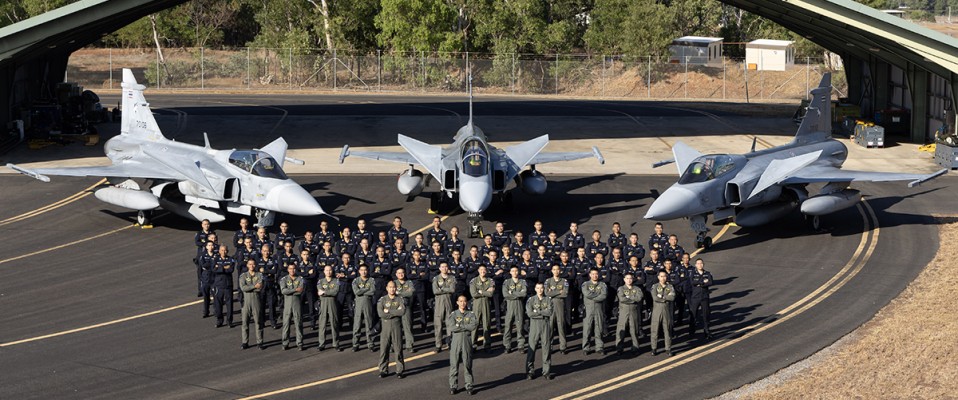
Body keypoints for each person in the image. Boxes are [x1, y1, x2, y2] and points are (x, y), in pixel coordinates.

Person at [448, 295, 478, 395]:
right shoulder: (453, 314)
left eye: (464, 301)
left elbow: (473, 326)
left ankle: (469, 385)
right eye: (460, 301)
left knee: (467, 364)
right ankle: (453, 386)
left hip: (467, 341)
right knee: (454, 365)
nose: (462, 303)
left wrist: (460, 326)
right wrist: (465, 327)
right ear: (457, 302)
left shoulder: (471, 314)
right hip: (455, 342)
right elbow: (452, 327)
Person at [525, 283, 554, 380]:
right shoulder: (531, 300)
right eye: (538, 288)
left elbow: (549, 312)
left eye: (541, 288)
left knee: (546, 348)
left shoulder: (548, 299)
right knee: (532, 349)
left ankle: (546, 371)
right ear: (535, 289)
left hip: (545, 325)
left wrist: (537, 312)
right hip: (534, 326)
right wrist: (543, 312)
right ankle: (530, 371)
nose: (540, 290)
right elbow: (529, 314)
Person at [378, 281, 406, 379]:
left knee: (398, 348)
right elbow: (381, 313)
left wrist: (389, 311)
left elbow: (402, 311)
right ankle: (383, 370)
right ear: (387, 288)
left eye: (394, 287)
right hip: (385, 327)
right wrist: (395, 312)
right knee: (384, 349)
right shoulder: (382, 300)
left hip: (396, 326)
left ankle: (400, 370)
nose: (392, 289)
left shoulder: (400, 299)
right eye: (390, 287)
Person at [239, 259, 265, 350]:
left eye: (253, 264)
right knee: (245, 322)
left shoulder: (259, 275)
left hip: (256, 300)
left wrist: (251, 287)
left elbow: (260, 288)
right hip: (246, 301)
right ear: (247, 265)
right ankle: (245, 342)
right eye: (250, 264)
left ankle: (260, 342)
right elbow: (243, 288)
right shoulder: (243, 276)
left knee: (258, 322)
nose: (252, 266)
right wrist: (254, 286)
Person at [615, 273, 643, 354]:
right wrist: (633, 299)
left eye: (630, 278)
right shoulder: (621, 289)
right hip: (624, 311)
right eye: (627, 278)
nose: (629, 280)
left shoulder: (637, 289)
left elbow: (639, 298)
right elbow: (622, 299)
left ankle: (635, 347)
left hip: (634, 311)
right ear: (624, 279)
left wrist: (629, 298)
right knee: (621, 329)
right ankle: (619, 348)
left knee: (634, 329)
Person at [469, 266, 495, 352]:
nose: (483, 271)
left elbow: (491, 294)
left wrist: (481, 291)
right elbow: (474, 294)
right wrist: (486, 291)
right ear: (478, 270)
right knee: (475, 324)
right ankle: (473, 344)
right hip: (477, 304)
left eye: (484, 270)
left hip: (486, 303)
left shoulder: (490, 281)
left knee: (486, 324)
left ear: (486, 271)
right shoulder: (474, 281)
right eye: (481, 270)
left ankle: (487, 345)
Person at [581, 268, 607, 355]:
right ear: (589, 275)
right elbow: (586, 294)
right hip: (588, 309)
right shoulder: (586, 284)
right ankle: (586, 347)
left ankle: (599, 347)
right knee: (587, 329)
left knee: (599, 328)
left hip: (599, 309)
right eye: (593, 274)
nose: (594, 276)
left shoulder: (602, 284)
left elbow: (603, 295)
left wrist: (593, 297)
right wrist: (597, 294)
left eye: (596, 274)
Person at [544, 265, 570, 354]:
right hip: (550, 305)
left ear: (560, 271)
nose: (556, 271)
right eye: (554, 269)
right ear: (552, 271)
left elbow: (565, 293)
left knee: (561, 326)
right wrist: (559, 291)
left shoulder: (564, 281)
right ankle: (549, 346)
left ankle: (563, 347)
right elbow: (546, 293)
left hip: (560, 305)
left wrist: (553, 292)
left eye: (557, 269)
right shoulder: (548, 281)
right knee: (550, 327)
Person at [650, 270, 676, 356]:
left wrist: (662, 296)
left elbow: (672, 297)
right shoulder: (655, 286)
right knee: (655, 330)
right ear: (658, 277)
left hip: (666, 309)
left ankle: (668, 348)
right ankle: (654, 348)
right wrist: (666, 298)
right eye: (661, 276)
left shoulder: (670, 286)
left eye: (664, 276)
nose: (663, 278)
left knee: (667, 330)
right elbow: (655, 298)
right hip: (657, 310)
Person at [317, 265, 342, 351]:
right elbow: (319, 291)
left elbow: (335, 292)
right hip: (323, 303)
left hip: (332, 303)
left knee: (334, 323)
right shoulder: (320, 281)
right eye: (327, 270)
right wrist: (328, 292)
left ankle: (336, 343)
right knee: (322, 324)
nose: (328, 272)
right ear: (324, 271)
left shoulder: (336, 281)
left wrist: (324, 292)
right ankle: (321, 343)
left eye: (330, 270)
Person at [502, 266, 528, 353]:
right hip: (509, 306)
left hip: (519, 305)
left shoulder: (522, 282)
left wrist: (512, 293)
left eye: (516, 271)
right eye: (513, 271)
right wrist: (518, 294)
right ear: (510, 272)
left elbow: (524, 293)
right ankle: (507, 346)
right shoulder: (507, 282)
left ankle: (521, 345)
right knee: (508, 326)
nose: (515, 272)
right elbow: (505, 294)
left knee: (520, 326)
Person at [279, 264, 305, 351]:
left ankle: (300, 343)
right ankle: (285, 342)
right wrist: (294, 290)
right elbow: (283, 291)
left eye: (294, 268)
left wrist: (291, 291)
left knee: (298, 323)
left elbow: (301, 291)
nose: (292, 270)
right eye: (290, 268)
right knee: (286, 323)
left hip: (297, 303)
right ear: (288, 269)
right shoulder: (284, 279)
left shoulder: (300, 279)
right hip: (287, 304)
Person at [432, 262, 456, 352]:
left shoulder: (452, 278)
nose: (444, 268)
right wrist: (446, 289)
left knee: (449, 324)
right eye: (442, 267)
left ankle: (449, 342)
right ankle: (438, 345)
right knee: (438, 325)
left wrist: (442, 289)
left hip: (448, 302)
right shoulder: (436, 278)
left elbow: (452, 289)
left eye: (446, 266)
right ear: (439, 268)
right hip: (439, 304)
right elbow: (435, 291)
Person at [352, 264, 376, 352]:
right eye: (361, 270)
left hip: (368, 303)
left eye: (365, 270)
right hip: (358, 304)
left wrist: (363, 291)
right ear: (359, 271)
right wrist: (366, 289)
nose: (363, 271)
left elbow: (372, 291)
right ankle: (355, 344)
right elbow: (356, 292)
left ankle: (370, 343)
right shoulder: (356, 280)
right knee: (357, 325)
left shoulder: (371, 280)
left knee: (369, 324)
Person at [689, 258, 714, 340]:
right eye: (698, 263)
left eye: (701, 263)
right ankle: (691, 331)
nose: (700, 265)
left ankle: (707, 331)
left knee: (706, 315)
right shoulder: (693, 273)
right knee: (693, 314)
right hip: (695, 297)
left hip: (704, 297)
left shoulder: (707, 273)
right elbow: (692, 282)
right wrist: (703, 282)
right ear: (695, 265)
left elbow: (710, 282)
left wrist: (700, 284)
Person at [394, 267, 416, 352]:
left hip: (406, 306)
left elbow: (411, 292)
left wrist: (399, 293)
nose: (401, 274)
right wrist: (405, 293)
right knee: (396, 327)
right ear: (396, 274)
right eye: (399, 273)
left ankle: (409, 345)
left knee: (407, 326)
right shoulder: (394, 283)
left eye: (402, 272)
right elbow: (392, 293)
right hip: (395, 306)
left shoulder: (409, 282)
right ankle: (394, 345)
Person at [212, 244, 235, 328]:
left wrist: (219, 267)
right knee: (218, 303)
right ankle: (219, 320)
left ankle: (229, 321)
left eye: (225, 250)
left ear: (227, 251)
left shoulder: (230, 259)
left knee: (229, 304)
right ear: (219, 251)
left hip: (228, 285)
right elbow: (214, 269)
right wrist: (224, 267)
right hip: (218, 285)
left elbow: (231, 270)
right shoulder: (215, 259)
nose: (223, 252)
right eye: (222, 250)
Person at [194, 219, 216, 297]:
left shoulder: (212, 233)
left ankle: (211, 290)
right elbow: (197, 242)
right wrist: (206, 244)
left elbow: (215, 242)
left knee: (211, 274)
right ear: (202, 225)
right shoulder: (199, 234)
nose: (206, 225)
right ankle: (200, 290)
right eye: (205, 224)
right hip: (201, 256)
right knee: (200, 274)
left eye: (208, 224)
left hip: (210, 257)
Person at [198, 241, 217, 318]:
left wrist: (208, 265)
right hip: (205, 279)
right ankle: (205, 312)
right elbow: (202, 266)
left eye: (212, 245)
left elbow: (217, 265)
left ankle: (216, 311)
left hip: (214, 279)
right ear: (206, 247)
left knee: (215, 296)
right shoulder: (203, 256)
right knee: (206, 297)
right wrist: (213, 264)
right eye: (209, 245)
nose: (211, 247)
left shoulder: (217, 255)